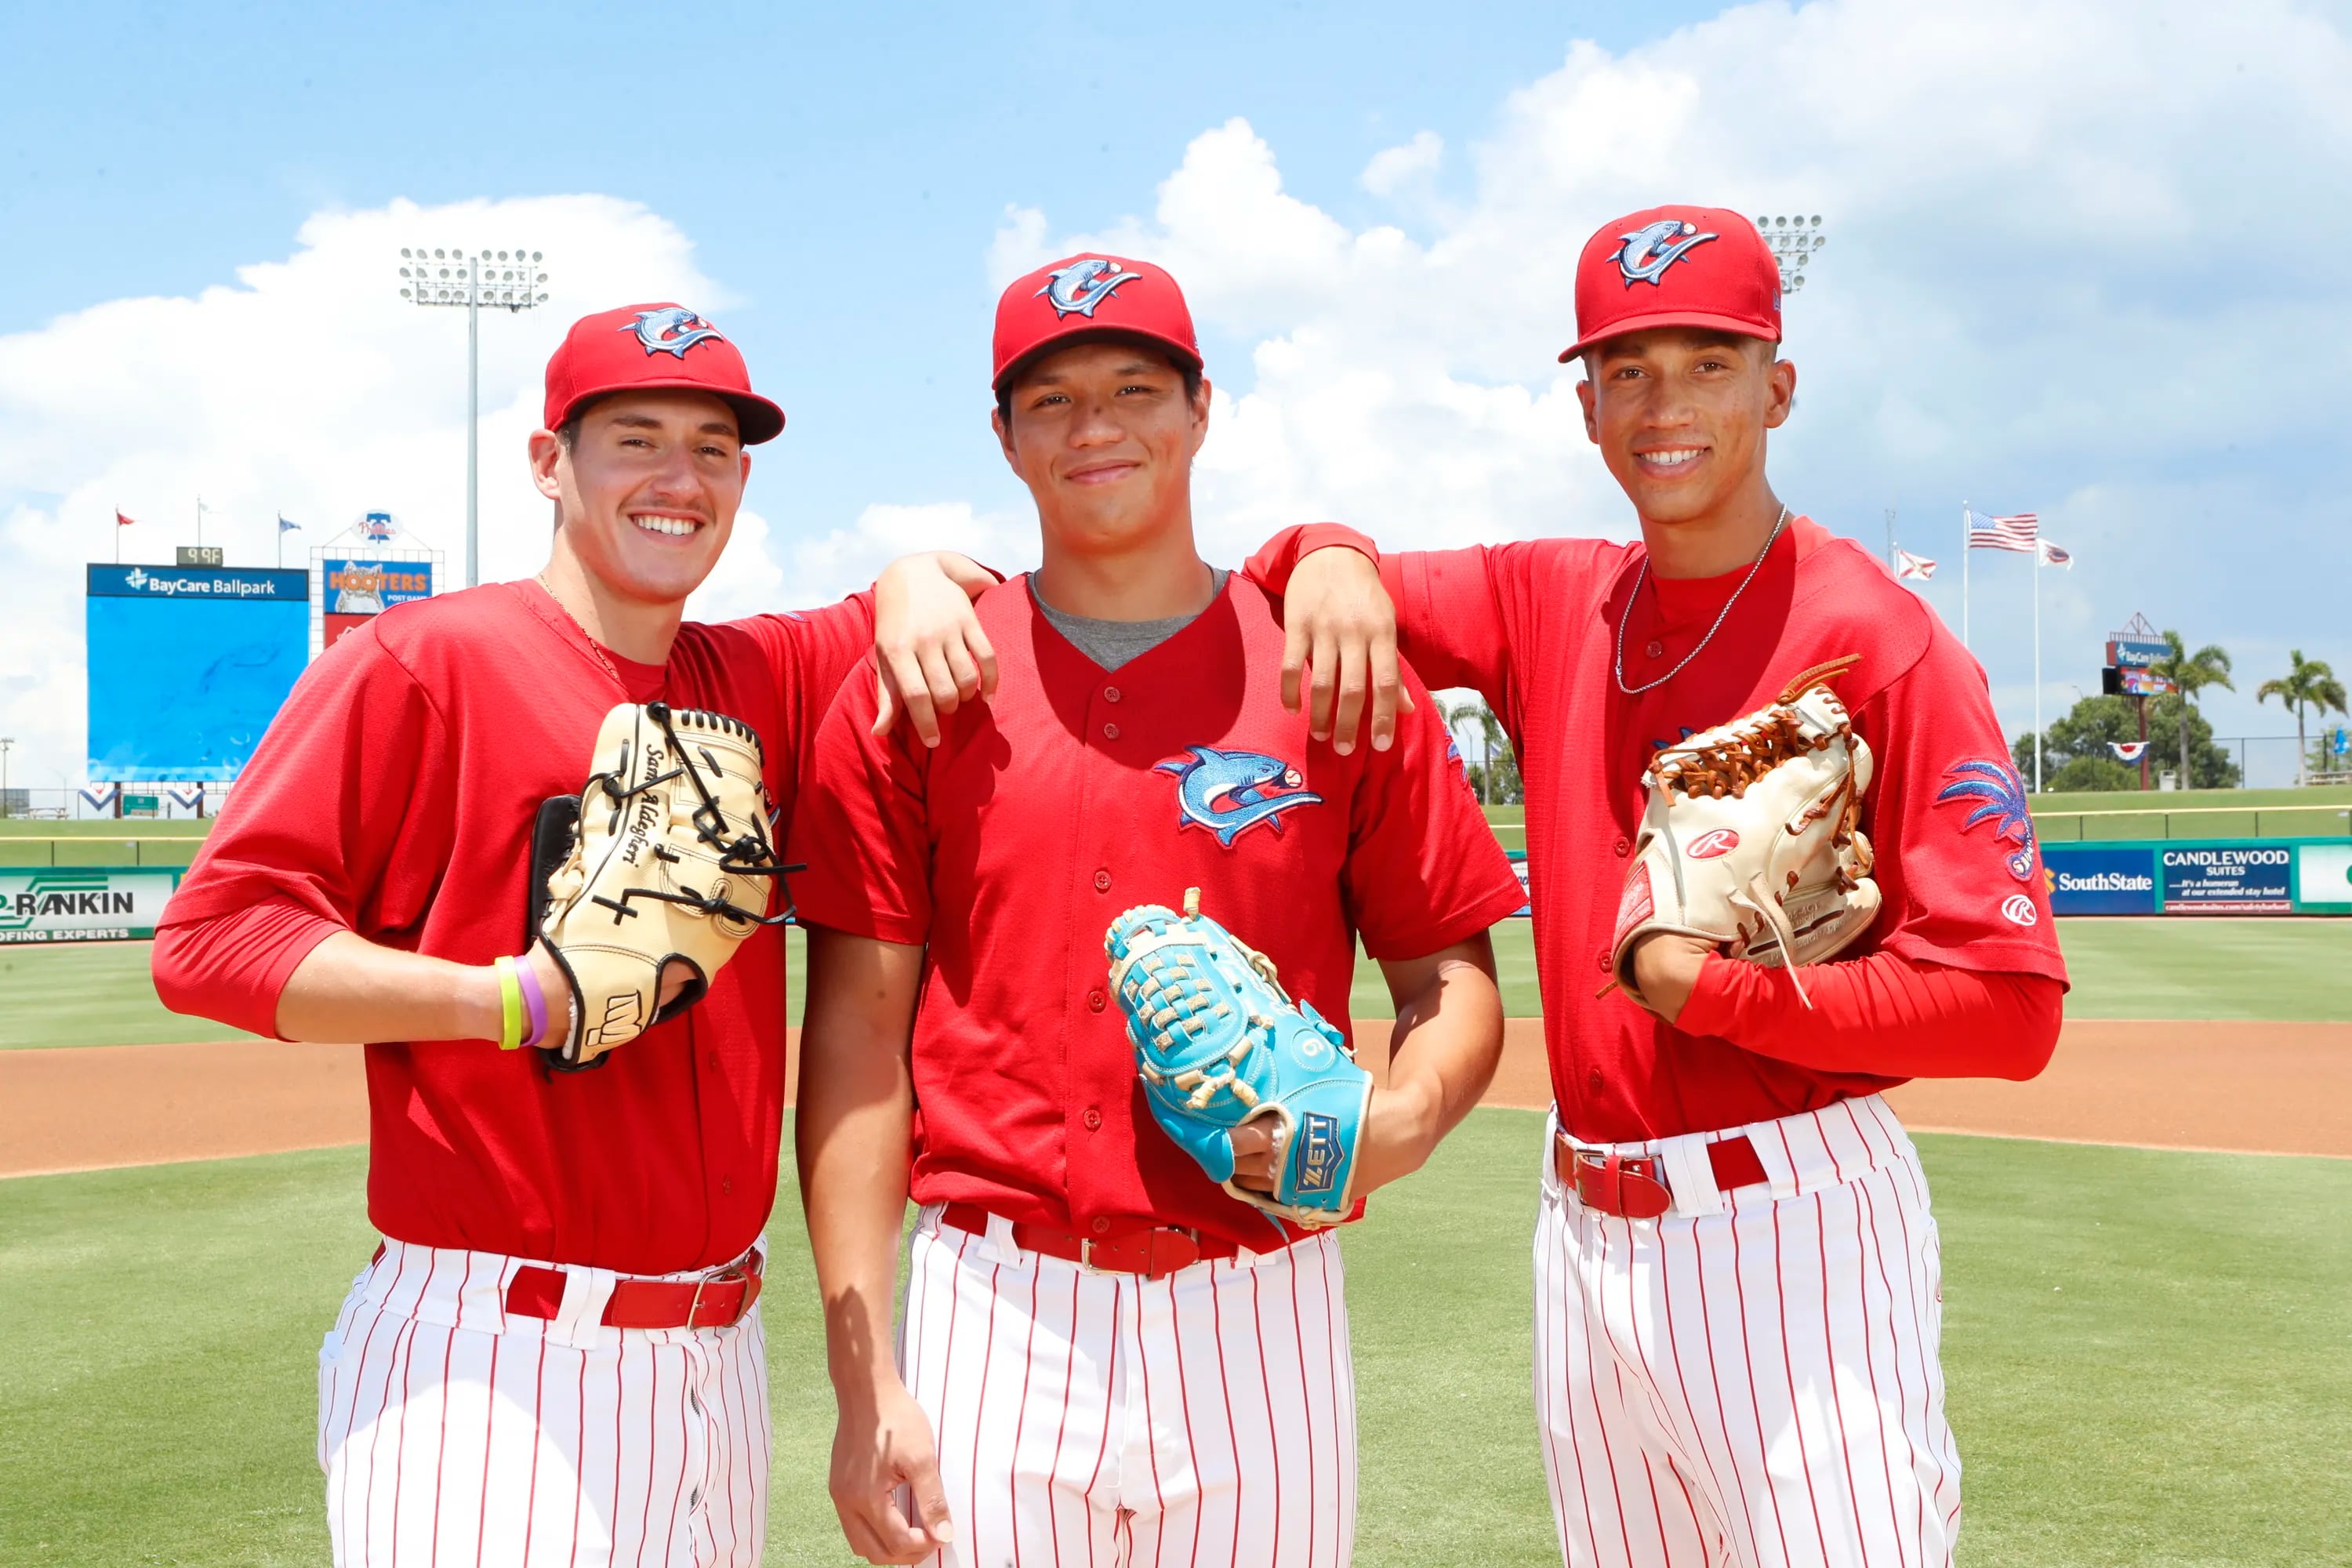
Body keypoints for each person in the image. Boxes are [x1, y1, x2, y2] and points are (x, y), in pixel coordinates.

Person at [1242, 208, 2068, 1568]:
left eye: (1707, 362)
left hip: (1795, 1233)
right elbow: (1309, 574)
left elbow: (2011, 1011)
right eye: (1626, 370)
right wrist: (1328, 548)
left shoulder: (1880, 639)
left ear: (1778, 388)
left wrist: (1722, 993)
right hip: (1583, 1241)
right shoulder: (1556, 598)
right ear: (1584, 406)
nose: (1662, 404)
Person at [151, 301, 1002, 1568]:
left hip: (716, 1363)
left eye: (714, 448)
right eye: (636, 440)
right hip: (492, 1360)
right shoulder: (427, 658)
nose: (680, 479)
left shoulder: (756, 675)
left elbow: (932, 582)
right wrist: (517, 999)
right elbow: (211, 940)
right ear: (551, 463)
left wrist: (916, 580)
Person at [787, 254, 1529, 1567]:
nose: (1098, 428)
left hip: (1263, 1294)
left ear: (1201, 409)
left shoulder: (1334, 668)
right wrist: (865, 1381)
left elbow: (1446, 973)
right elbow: (857, 1035)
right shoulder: (925, 682)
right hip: (994, 1303)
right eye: (1055, 398)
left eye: (1135, 388)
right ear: (1003, 435)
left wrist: (1404, 1123)